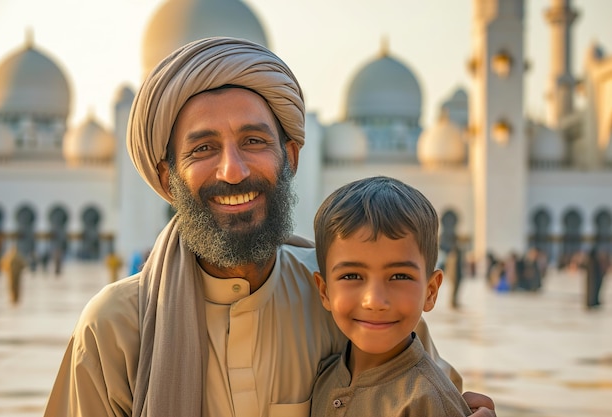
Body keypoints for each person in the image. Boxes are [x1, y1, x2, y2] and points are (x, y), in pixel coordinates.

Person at [43, 37, 495, 417]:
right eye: (202, 148)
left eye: (254, 141)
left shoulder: (350, 296)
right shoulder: (116, 330)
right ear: (167, 177)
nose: (233, 170)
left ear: (291, 157)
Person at [311, 176, 472, 417]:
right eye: (352, 276)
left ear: (431, 291)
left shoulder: (427, 402)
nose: (374, 300)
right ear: (324, 291)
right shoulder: (324, 376)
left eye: (399, 277)